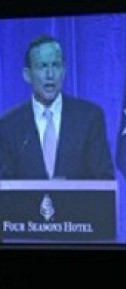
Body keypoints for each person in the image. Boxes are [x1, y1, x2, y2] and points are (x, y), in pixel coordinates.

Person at [0, 34, 114, 180]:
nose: (50, 74)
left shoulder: (89, 118)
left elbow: (104, 180)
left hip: (77, 204)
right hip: (28, 204)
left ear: (64, 71)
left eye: (56, 65)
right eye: (42, 66)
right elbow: (4, 189)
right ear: (27, 75)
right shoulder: (8, 125)